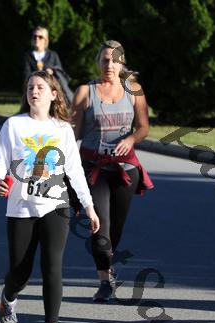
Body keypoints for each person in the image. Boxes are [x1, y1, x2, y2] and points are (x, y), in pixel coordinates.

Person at [0, 70, 100, 323]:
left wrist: (88, 206)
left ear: (53, 94)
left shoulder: (62, 129)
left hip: (56, 206)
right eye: (30, 88)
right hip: (21, 207)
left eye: (40, 87)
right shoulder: (14, 125)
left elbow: (74, 171)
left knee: (52, 266)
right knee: (20, 272)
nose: (34, 92)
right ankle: (8, 298)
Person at [72, 40, 153, 302]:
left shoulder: (134, 90)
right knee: (100, 228)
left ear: (122, 63)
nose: (110, 64)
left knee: (115, 229)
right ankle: (104, 281)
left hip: (124, 170)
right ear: (98, 62)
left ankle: (108, 267)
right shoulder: (85, 92)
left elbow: (143, 127)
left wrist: (130, 139)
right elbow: (72, 134)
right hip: (93, 168)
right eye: (105, 59)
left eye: (115, 60)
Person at [23, 26, 73, 103]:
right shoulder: (28, 56)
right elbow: (26, 74)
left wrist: (52, 71)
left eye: (40, 37)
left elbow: (60, 71)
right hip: (35, 92)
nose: (37, 39)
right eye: (35, 36)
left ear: (45, 40)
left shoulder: (53, 55)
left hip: (51, 91)